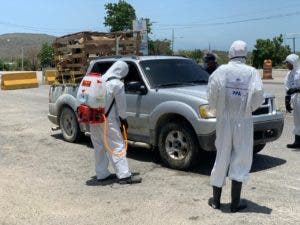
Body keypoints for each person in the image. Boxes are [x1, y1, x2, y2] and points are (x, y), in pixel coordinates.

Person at [207, 40, 264, 212]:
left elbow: (211, 93)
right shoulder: (252, 72)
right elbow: (259, 95)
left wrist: (216, 110)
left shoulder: (221, 70)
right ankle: (235, 203)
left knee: (222, 155)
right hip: (243, 120)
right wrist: (248, 110)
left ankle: (216, 201)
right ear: (245, 54)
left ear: (230, 52)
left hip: (224, 120)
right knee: (241, 156)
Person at [89, 61, 142, 184]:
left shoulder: (100, 80)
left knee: (99, 147)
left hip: (94, 119)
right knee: (118, 145)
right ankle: (124, 176)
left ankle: (102, 174)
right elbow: (121, 107)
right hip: (108, 121)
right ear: (122, 71)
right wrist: (124, 120)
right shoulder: (117, 84)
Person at [284, 53, 300, 148]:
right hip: (295, 100)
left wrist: (297, 89)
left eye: (288, 63)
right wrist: (287, 102)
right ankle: (297, 141)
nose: (286, 65)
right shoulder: (289, 74)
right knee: (297, 120)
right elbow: (287, 88)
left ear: (293, 62)